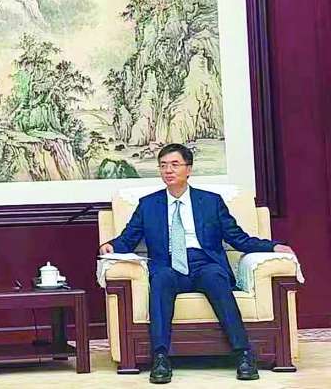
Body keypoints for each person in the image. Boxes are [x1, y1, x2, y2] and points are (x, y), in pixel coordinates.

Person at [99, 144, 294, 384]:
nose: (168, 170)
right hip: (167, 264)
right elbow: (128, 238)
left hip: (203, 262)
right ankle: (160, 358)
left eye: (174, 165)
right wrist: (111, 246)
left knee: (217, 277)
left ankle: (244, 354)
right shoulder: (148, 204)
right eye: (163, 166)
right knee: (160, 280)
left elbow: (237, 238)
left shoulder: (210, 202)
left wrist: (272, 247)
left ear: (188, 169)